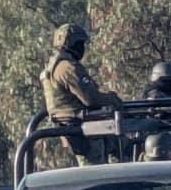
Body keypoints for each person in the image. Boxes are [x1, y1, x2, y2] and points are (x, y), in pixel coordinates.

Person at [40, 23, 122, 165]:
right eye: (79, 43)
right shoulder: (67, 67)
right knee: (96, 176)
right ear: (70, 43)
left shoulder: (54, 65)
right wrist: (112, 99)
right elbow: (91, 98)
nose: (82, 47)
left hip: (75, 128)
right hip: (84, 130)